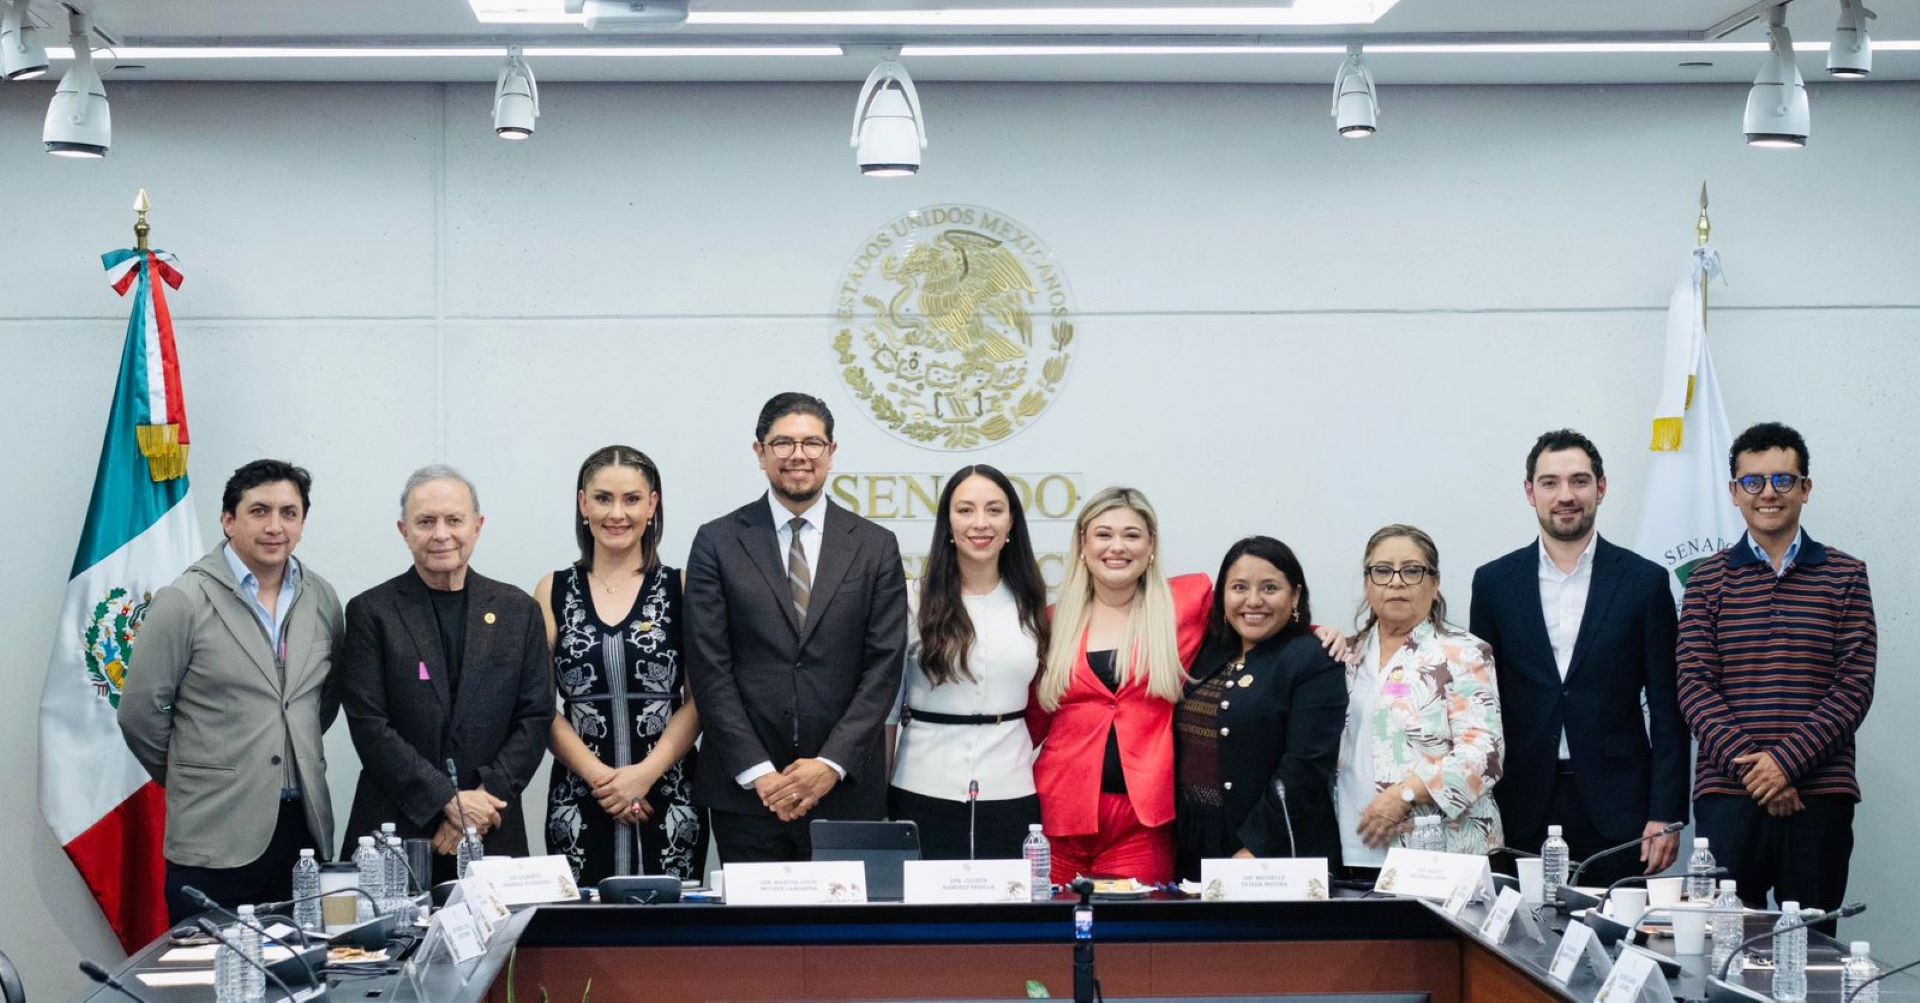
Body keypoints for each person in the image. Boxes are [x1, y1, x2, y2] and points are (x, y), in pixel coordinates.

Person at [684, 392, 909, 863]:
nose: (798, 456)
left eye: (812, 443)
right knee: (754, 938)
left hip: (845, 792)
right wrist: (761, 774)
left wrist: (829, 765)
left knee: (846, 937)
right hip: (746, 795)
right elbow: (709, 669)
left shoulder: (874, 546)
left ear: (831, 451)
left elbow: (883, 669)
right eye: (783, 442)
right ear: (760, 452)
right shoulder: (718, 542)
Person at [121, 460, 345, 922]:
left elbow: (319, 703)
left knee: (301, 981)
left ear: (302, 522)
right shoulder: (184, 600)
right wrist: (199, 772)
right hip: (214, 835)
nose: (274, 526)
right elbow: (140, 713)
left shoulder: (322, 599)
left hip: (303, 831)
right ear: (228, 520)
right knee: (212, 985)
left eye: (289, 512)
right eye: (259, 511)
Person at [1678, 422, 1875, 928]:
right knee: (1721, 949)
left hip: (1819, 798)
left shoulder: (1846, 575)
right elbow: (1695, 686)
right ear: (1734, 493)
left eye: (1783, 480)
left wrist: (1786, 764)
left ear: (1806, 489)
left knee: (1811, 952)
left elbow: (1853, 688)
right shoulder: (1706, 581)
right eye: (1753, 482)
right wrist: (1758, 773)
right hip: (1727, 798)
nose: (1768, 493)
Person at [1469, 430, 1687, 886]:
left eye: (1579, 481)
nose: (1565, 496)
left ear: (1601, 488)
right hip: (1520, 802)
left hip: (1619, 810)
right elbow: (1477, 704)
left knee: (1615, 945)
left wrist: (1665, 812)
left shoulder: (1644, 583)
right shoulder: (1493, 583)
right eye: (1550, 483)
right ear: (1530, 492)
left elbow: (1669, 709)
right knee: (1518, 946)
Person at [340, 465, 554, 884]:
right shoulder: (372, 612)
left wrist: (479, 806)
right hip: (395, 835)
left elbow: (535, 717)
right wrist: (447, 802)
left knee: (499, 949)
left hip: (493, 828)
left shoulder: (517, 611)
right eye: (426, 521)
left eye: (454, 520)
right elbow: (370, 726)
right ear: (404, 530)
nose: (441, 534)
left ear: (478, 526)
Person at [538, 446, 706, 885]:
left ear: (652, 505)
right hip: (580, 798)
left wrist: (644, 776)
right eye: (603, 498)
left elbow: (700, 699)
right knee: (580, 939)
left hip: (668, 797)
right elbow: (537, 703)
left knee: (668, 939)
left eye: (632, 499)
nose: (617, 513)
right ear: (582, 504)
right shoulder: (553, 590)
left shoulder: (680, 587)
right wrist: (604, 781)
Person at [1027, 487, 1211, 887]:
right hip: (1058, 819)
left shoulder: (1187, 604)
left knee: (1131, 943)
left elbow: (1255, 619)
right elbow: (1028, 723)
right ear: (1083, 543)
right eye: (1104, 534)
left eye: (1131, 535)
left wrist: (1319, 636)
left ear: (1151, 546)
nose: (1117, 547)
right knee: (1049, 941)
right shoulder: (1052, 622)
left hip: (1142, 824)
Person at [890, 464, 1049, 860]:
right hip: (920, 785)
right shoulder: (912, 599)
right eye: (965, 510)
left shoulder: (1032, 603)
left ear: (1012, 521)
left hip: (1011, 789)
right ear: (947, 522)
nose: (980, 523)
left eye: (994, 510)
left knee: (1006, 916)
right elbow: (887, 711)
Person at [1336, 524, 1503, 875]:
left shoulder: (1463, 652)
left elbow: (1483, 754)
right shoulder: (1345, 655)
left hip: (1440, 851)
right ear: (1367, 583)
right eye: (1382, 571)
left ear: (1435, 582)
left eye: (1412, 570)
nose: (1396, 582)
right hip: (1348, 848)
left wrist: (1405, 795)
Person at [1175, 536, 1346, 878]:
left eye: (1270, 588)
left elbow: (1306, 766)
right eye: (1239, 587)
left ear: (1295, 595)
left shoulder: (1313, 658)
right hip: (1196, 843)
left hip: (1273, 851)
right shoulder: (1207, 653)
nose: (1253, 601)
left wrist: (1256, 848)